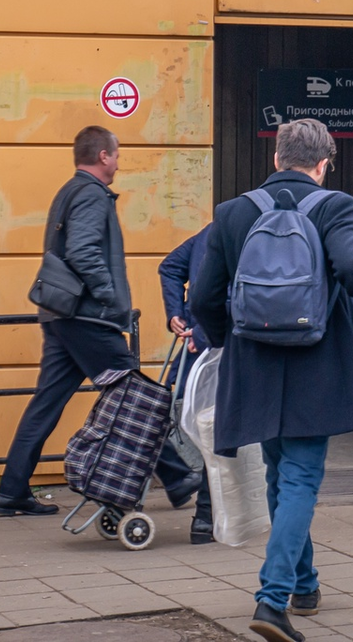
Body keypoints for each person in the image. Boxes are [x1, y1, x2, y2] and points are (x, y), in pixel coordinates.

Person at [189, 118, 353, 642]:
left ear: (277, 157)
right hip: (317, 366)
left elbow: (202, 298)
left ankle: (304, 586)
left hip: (254, 364)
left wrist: (225, 340)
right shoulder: (334, 205)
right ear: (323, 162)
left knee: (281, 474)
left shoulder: (234, 213)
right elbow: (351, 263)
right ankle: (272, 598)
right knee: (301, 478)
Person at [0, 126, 199, 516]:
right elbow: (83, 251)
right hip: (88, 319)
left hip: (63, 317)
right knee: (135, 396)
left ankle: (11, 490)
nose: (119, 162)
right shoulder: (90, 194)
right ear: (103, 156)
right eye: (116, 155)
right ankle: (177, 476)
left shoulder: (69, 191)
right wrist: (109, 296)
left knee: (46, 404)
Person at [158, 224, 215, 544]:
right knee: (214, 428)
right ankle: (205, 517)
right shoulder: (246, 229)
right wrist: (202, 333)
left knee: (175, 410)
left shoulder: (212, 229)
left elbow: (169, 266)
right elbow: (217, 291)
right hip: (213, 346)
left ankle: (179, 478)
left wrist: (175, 313)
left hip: (198, 342)